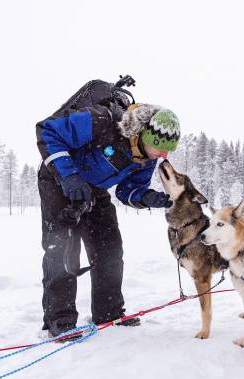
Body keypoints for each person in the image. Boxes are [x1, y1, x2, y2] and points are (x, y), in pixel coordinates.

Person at [35, 78, 180, 340]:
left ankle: (108, 312)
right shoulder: (101, 121)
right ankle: (60, 321)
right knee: (63, 249)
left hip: (95, 190)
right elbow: (47, 131)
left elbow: (127, 191)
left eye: (168, 151)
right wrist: (69, 177)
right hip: (58, 179)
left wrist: (147, 197)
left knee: (110, 249)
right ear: (144, 134)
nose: (163, 156)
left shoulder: (145, 158)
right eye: (160, 147)